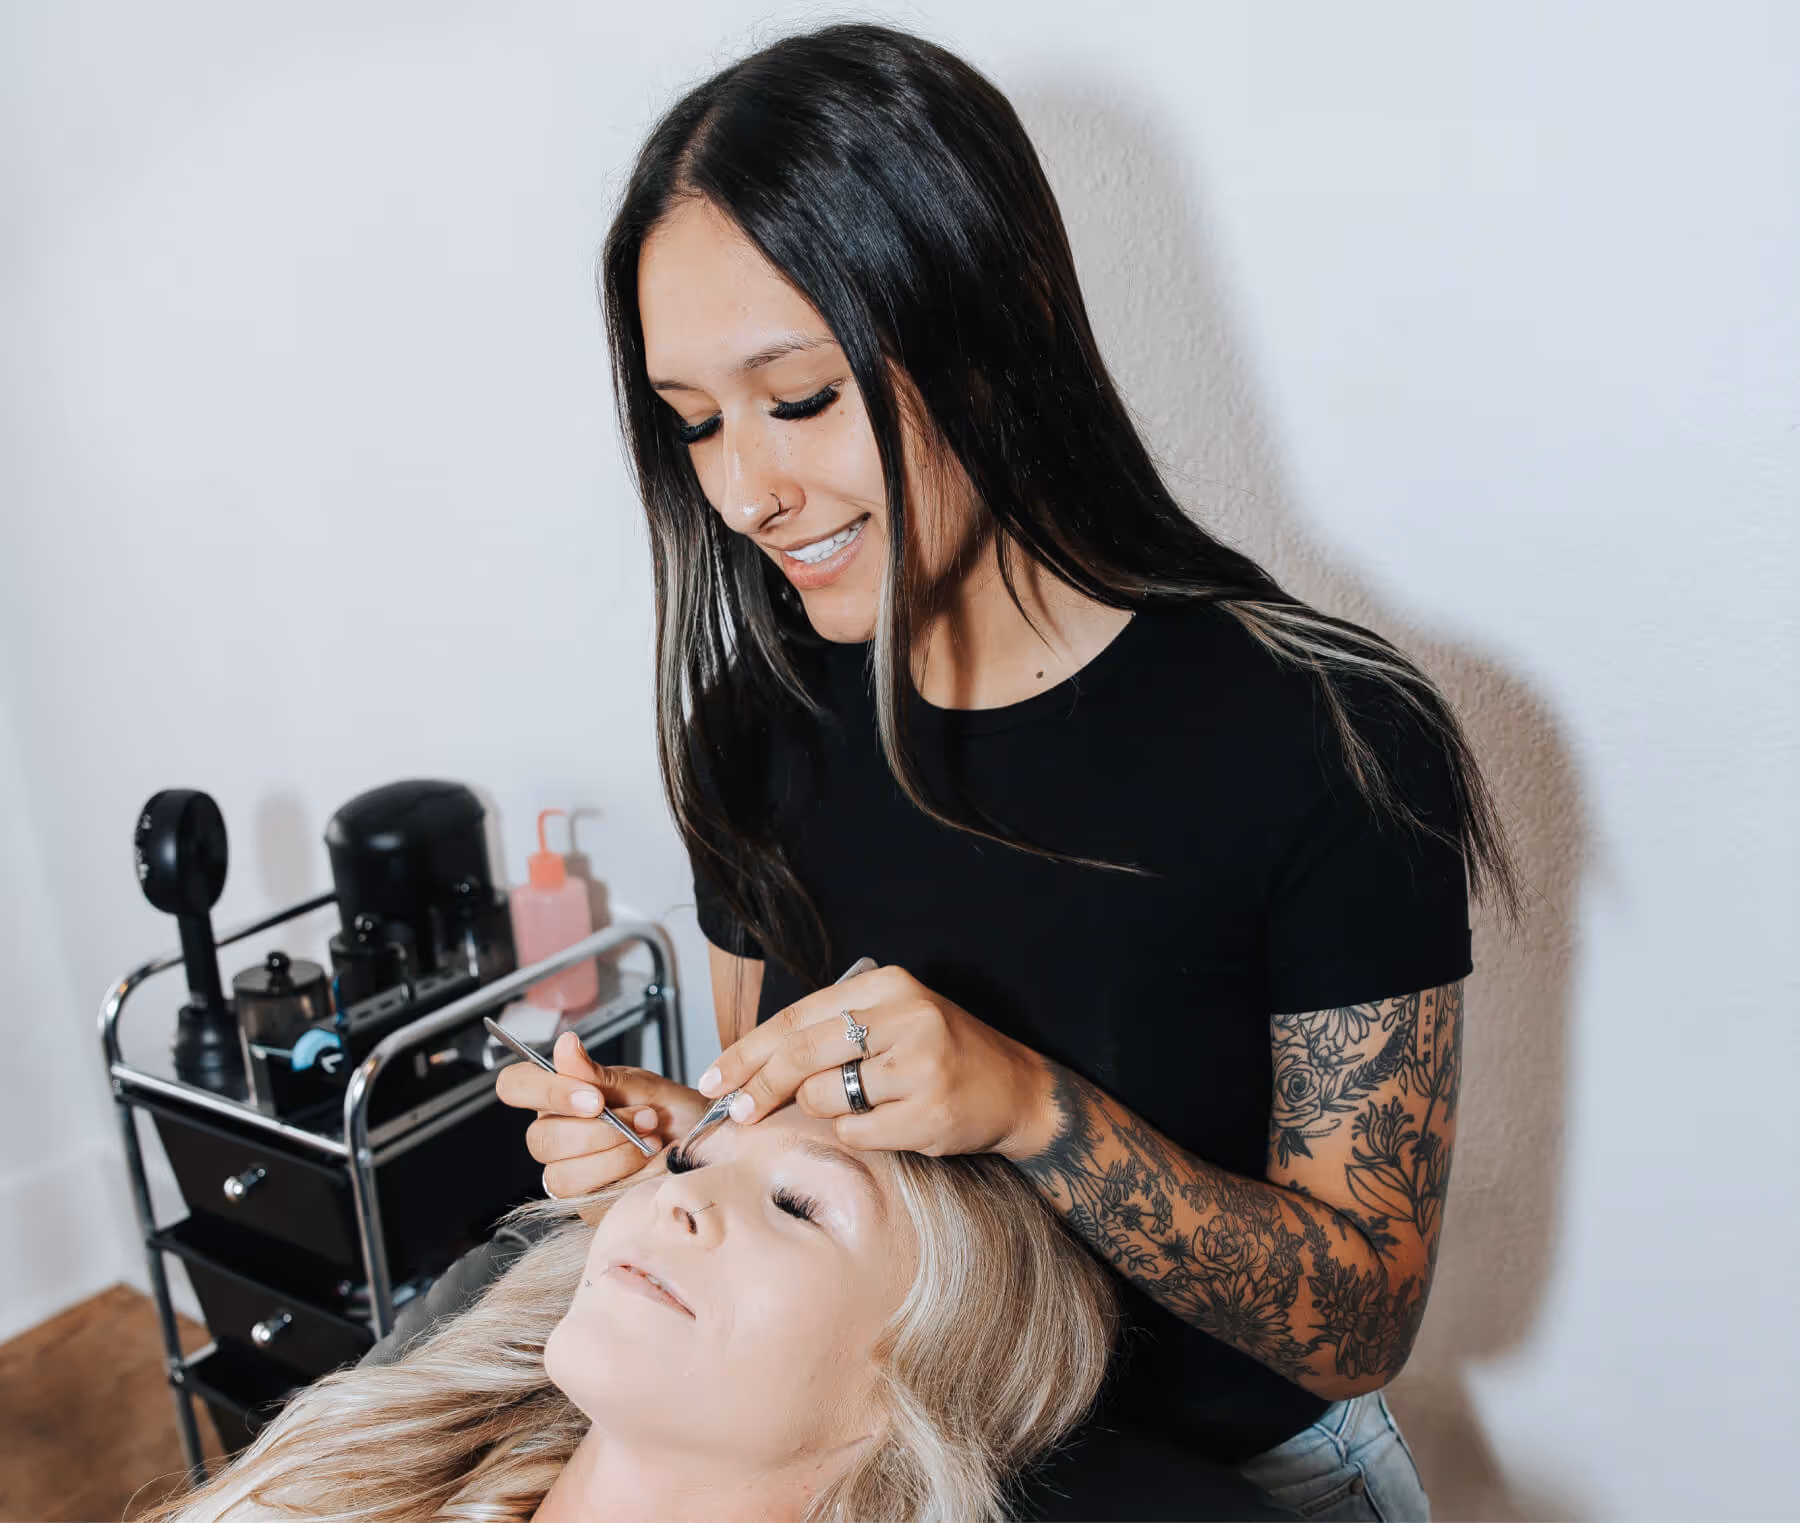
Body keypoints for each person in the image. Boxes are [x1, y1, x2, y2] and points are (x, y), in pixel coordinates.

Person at [501, 21, 1518, 1521]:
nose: (744, 491)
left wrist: (1031, 1106)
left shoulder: (1325, 738)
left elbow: (1364, 1317)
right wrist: (678, 1150)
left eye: (799, 399)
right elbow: (767, 1122)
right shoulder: (759, 718)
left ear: (993, 330)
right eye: (694, 423)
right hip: (883, 1468)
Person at [151, 1103, 1155, 1523]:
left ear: (910, 1393)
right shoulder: (359, 1467)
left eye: (799, 1204)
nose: (675, 1195)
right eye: (692, 1157)